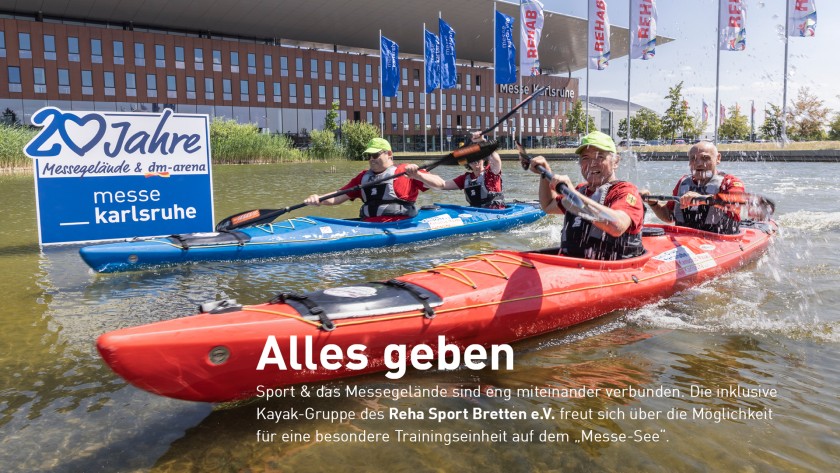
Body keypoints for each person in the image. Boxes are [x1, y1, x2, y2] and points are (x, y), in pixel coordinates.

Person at [522, 131, 645, 261]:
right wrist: (545, 172)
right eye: (585, 157)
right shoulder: (581, 190)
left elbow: (617, 226)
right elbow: (548, 205)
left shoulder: (626, 192)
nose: (592, 163)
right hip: (575, 264)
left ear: (615, 161)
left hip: (612, 269)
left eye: (600, 157)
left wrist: (574, 196)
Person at [304, 137, 430, 222]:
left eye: (375, 155)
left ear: (389, 154)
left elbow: (438, 184)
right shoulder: (363, 177)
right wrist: (319, 199)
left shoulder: (406, 170)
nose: (371, 159)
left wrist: (418, 175)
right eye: (369, 155)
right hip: (368, 227)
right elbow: (338, 196)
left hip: (400, 226)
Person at [643, 141, 745, 234]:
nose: (699, 163)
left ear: (718, 159)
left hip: (721, 240)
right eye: (693, 159)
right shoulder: (683, 182)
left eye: (705, 158)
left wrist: (702, 199)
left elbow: (736, 204)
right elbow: (669, 216)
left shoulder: (730, 182)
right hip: (687, 239)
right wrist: (653, 203)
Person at [406, 131, 505, 209]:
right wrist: (418, 175)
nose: (475, 161)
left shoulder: (491, 173)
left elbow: (496, 161)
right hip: (476, 213)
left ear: (483, 159)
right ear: (468, 163)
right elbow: (443, 185)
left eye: (477, 158)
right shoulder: (465, 178)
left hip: (495, 213)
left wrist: (481, 142)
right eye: (471, 160)